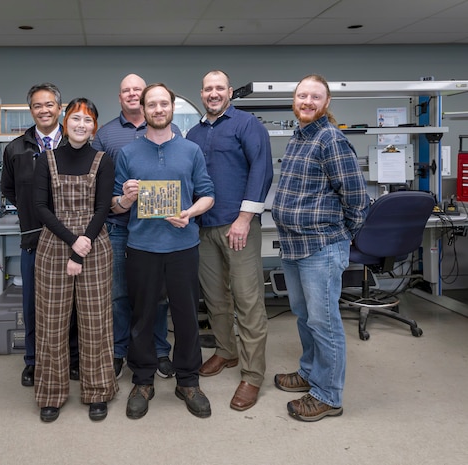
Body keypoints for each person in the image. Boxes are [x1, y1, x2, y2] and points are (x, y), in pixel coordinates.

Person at [111, 83, 215, 419]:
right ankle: (142, 380)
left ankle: (188, 380)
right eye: (151, 104)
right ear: (143, 108)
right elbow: (115, 205)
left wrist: (190, 213)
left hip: (183, 246)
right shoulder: (128, 154)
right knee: (142, 317)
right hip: (141, 247)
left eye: (163, 104)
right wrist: (126, 198)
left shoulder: (191, 151)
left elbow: (207, 194)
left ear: (171, 107)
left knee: (186, 317)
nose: (157, 109)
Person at [271, 74, 370, 422]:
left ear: (326, 103)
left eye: (315, 97)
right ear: (294, 101)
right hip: (295, 246)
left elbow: (358, 200)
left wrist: (341, 236)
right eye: (302, 96)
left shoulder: (331, 139)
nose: (307, 102)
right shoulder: (300, 137)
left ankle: (328, 395)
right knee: (305, 316)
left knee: (324, 322)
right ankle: (311, 373)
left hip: (320, 248)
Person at [186, 70, 273, 411]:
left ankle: (252, 375)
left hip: (238, 226)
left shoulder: (246, 124)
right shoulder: (193, 132)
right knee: (215, 298)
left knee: (247, 300)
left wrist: (244, 218)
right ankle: (226, 351)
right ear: (202, 93)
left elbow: (261, 170)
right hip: (204, 228)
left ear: (230, 92)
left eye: (219, 88)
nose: (213, 93)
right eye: (207, 88)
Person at [33, 98, 118, 422]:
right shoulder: (47, 160)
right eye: (75, 118)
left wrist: (82, 246)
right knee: (51, 323)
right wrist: (73, 243)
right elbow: (41, 207)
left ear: (94, 126)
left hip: (95, 246)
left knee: (96, 323)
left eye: (88, 120)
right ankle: (51, 393)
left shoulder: (103, 160)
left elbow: (102, 208)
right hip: (55, 246)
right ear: (64, 122)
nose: (81, 125)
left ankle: (98, 390)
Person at [92, 74, 181, 380]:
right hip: (118, 227)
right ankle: (119, 350)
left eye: (137, 90)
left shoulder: (170, 130)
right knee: (118, 295)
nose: (132, 94)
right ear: (120, 98)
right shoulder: (105, 136)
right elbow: (98, 186)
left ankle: (159, 350)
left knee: (157, 295)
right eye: (125, 90)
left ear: (146, 97)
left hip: (157, 228)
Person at [1, 82, 79, 387]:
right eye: (37, 106)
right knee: (34, 305)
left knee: (73, 303)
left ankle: (73, 357)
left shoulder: (75, 143)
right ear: (31, 110)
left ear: (59, 108)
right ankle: (33, 361)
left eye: (49, 105)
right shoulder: (16, 148)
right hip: (34, 239)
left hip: (71, 240)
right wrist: (34, 210)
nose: (44, 110)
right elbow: (8, 188)